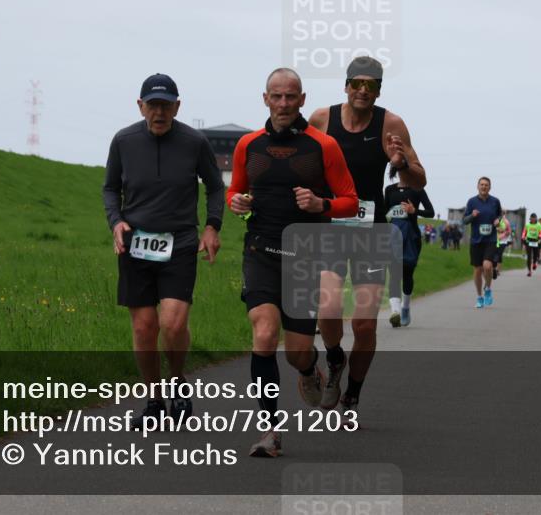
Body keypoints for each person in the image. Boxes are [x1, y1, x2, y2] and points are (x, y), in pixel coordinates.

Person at [227, 67, 358, 457]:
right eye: (276, 96)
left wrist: (321, 205)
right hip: (261, 251)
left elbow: (351, 201)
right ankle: (270, 431)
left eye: (290, 96)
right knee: (265, 333)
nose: (283, 103)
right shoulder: (248, 145)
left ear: (302, 99)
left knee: (297, 352)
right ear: (265, 99)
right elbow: (235, 190)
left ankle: (310, 367)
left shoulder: (323, 146)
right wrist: (236, 202)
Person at [103, 73, 224, 428]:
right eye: (153, 105)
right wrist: (116, 222)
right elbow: (109, 188)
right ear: (140, 106)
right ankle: (154, 401)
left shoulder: (194, 142)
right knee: (144, 329)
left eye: (166, 106)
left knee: (172, 324)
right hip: (136, 243)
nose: (160, 112)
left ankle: (177, 382)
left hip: (180, 243)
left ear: (177, 107)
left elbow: (215, 186)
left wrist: (212, 226)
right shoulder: (123, 141)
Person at [308, 56, 427, 416]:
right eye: (357, 83)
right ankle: (334, 359)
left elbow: (419, 179)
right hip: (331, 228)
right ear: (346, 86)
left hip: (370, 234)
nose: (363, 90)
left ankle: (352, 395)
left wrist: (401, 163)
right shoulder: (322, 119)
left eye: (371, 84)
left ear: (379, 90)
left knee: (363, 323)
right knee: (328, 307)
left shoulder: (391, 124)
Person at [384, 172, 435, 328]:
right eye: (400, 169)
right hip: (393, 235)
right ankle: (395, 312)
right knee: (394, 273)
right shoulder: (390, 190)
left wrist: (414, 211)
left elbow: (430, 212)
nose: (403, 172)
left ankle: (405, 307)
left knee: (407, 273)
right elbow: (383, 211)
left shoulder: (417, 189)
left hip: (411, 237)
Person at [463, 177, 503, 308]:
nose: (484, 187)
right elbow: (465, 220)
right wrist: (472, 216)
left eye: (486, 185)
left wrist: (498, 220)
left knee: (487, 266)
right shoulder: (472, 202)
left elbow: (500, 215)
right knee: (477, 269)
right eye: (481, 184)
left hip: (490, 240)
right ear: (478, 186)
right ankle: (479, 296)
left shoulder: (495, 201)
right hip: (476, 240)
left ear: (489, 187)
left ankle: (488, 289)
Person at [493, 211, 512, 280]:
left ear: (504, 214)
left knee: (499, 254)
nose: (502, 215)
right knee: (495, 254)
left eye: (503, 214)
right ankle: (495, 268)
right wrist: (497, 230)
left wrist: (503, 234)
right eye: (500, 213)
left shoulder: (506, 222)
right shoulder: (495, 220)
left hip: (503, 241)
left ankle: (497, 269)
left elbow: (509, 231)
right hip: (495, 240)